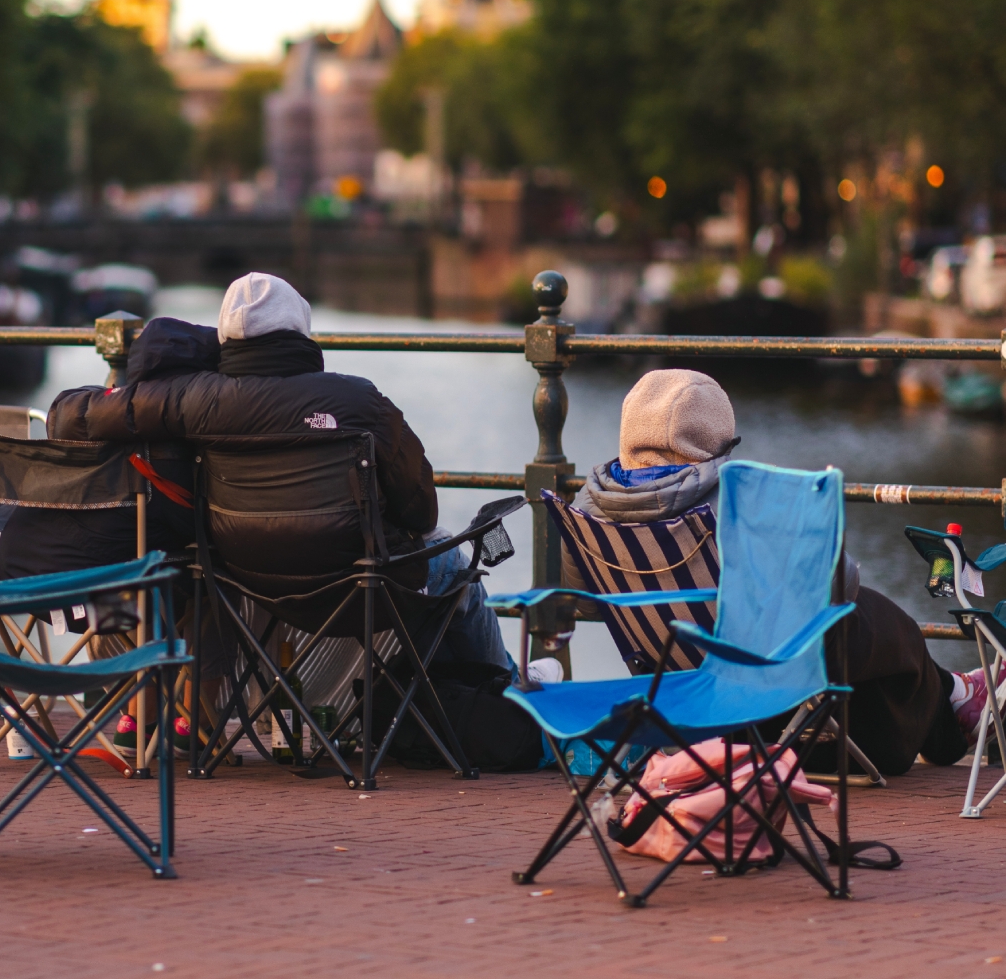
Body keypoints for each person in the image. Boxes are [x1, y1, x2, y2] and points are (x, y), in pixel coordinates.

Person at [52, 273, 539, 702]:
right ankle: (508, 696)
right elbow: (421, 511)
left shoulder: (192, 398)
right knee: (453, 564)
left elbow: (74, 416)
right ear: (301, 331)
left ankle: (463, 705)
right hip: (357, 585)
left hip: (250, 580)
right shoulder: (359, 399)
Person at [569, 368, 979, 775]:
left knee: (868, 651)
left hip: (667, 673)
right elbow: (842, 583)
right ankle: (953, 712)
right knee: (886, 622)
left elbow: (580, 600)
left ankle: (955, 697)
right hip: (757, 676)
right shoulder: (742, 499)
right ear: (715, 442)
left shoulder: (586, 507)